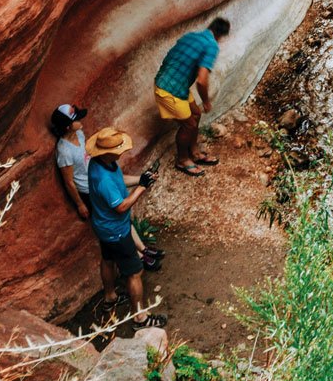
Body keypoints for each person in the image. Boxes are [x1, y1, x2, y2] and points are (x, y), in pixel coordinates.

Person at [50, 104, 163, 272]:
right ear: (67, 126)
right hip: (90, 191)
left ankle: (143, 249)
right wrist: (80, 204)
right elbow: (69, 182)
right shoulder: (64, 151)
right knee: (116, 223)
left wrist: (142, 179)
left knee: (124, 220)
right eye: (77, 120)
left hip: (101, 181)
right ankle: (138, 256)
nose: (81, 121)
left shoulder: (79, 134)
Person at [85, 126, 165, 327]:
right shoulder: (103, 180)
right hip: (116, 231)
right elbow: (121, 206)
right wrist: (142, 188)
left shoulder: (100, 163)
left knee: (108, 259)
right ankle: (140, 317)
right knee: (135, 272)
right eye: (119, 147)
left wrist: (141, 178)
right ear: (108, 152)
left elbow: (120, 180)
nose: (123, 150)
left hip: (104, 227)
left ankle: (110, 296)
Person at [153, 17, 230, 175]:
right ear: (221, 36)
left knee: (196, 114)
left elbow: (169, 57)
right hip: (169, 90)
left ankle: (194, 152)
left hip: (174, 84)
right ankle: (182, 160)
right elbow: (201, 81)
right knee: (188, 124)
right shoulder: (211, 46)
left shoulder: (190, 36)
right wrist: (206, 101)